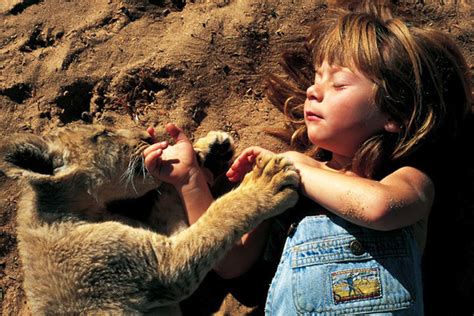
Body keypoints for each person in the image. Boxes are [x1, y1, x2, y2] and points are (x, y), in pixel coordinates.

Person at [143, 8, 471, 315]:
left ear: (395, 113)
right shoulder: (286, 181)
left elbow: (378, 208)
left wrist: (295, 167)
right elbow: (230, 261)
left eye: (339, 84)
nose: (313, 92)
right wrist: (190, 180)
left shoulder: (408, 179)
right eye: (316, 79)